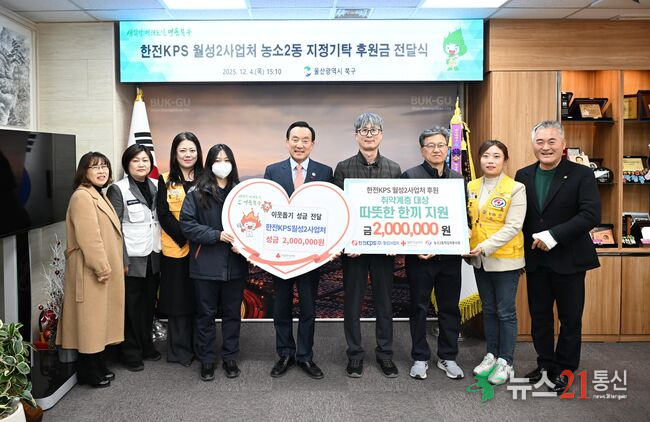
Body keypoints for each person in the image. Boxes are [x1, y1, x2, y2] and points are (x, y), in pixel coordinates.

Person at [515, 120, 601, 394]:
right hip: (536, 260)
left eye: (552, 141)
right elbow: (519, 217)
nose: (546, 147)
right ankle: (545, 364)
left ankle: (565, 370)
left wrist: (553, 235)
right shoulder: (523, 175)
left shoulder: (581, 174)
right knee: (539, 317)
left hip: (569, 259)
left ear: (563, 144)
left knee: (570, 318)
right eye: (540, 142)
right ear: (533, 144)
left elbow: (590, 215)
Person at [333, 112, 402, 378]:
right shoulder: (343, 167)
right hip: (355, 250)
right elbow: (339, 209)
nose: (369, 134)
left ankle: (385, 355)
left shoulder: (394, 169)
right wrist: (347, 241)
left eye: (374, 130)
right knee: (353, 304)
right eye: (364, 130)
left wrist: (396, 240)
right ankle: (355, 355)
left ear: (381, 135)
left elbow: (398, 210)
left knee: (384, 303)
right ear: (356, 135)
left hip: (384, 250)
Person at [263, 121, 333, 379]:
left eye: (305, 140)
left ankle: (305, 356)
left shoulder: (325, 171)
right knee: (281, 307)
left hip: (310, 257)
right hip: (280, 256)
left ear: (312, 144)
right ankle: (285, 353)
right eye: (295, 139)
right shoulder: (273, 171)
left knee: (308, 309)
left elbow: (331, 211)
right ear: (287, 141)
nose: (299, 144)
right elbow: (265, 208)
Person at [401, 127, 467, 381]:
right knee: (418, 307)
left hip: (449, 257)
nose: (436, 150)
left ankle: (448, 356)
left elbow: (462, 216)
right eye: (431, 145)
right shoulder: (410, 177)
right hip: (420, 258)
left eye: (441, 145)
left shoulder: (457, 178)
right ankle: (420, 357)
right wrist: (416, 246)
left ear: (447, 149)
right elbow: (403, 217)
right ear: (422, 150)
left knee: (450, 308)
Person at [180, 144, 248, 381]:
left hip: (235, 264)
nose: (222, 164)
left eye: (227, 159)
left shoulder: (242, 192)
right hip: (205, 264)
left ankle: (230, 357)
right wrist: (216, 235)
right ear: (209, 164)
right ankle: (207, 359)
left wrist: (246, 244)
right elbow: (187, 224)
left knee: (232, 314)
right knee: (205, 315)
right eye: (217, 160)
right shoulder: (197, 192)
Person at [56, 152, 124, 388]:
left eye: (104, 166)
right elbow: (89, 239)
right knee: (90, 323)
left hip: (100, 269)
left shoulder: (97, 194)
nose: (102, 171)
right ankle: (88, 373)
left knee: (98, 321)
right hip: (90, 270)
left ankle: (98, 366)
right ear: (84, 172)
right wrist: (102, 268)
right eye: (95, 167)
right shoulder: (82, 197)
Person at [465, 140, 526, 385]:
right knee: (488, 309)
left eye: (496, 156)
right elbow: (469, 220)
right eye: (486, 156)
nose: (490, 161)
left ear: (505, 161)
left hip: (506, 260)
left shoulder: (516, 188)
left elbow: (514, 226)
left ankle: (505, 361)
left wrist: (485, 246)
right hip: (479, 260)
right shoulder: (471, 186)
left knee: (505, 312)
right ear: (479, 159)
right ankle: (491, 355)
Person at [107, 144, 161, 372]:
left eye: (145, 160)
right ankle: (131, 352)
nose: (141, 164)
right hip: (131, 257)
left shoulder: (157, 185)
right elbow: (113, 228)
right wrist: (122, 260)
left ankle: (147, 345)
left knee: (149, 304)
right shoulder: (118, 189)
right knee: (130, 307)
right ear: (127, 164)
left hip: (153, 255)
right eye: (136, 160)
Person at [156, 132, 204, 367]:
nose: (188, 155)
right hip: (176, 250)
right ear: (175, 154)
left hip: (202, 251)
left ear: (198, 153)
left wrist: (199, 236)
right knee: (178, 301)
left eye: (192, 150)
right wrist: (186, 236)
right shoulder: (165, 179)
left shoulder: (206, 179)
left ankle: (200, 347)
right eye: (182, 150)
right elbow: (163, 214)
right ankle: (179, 351)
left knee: (200, 300)